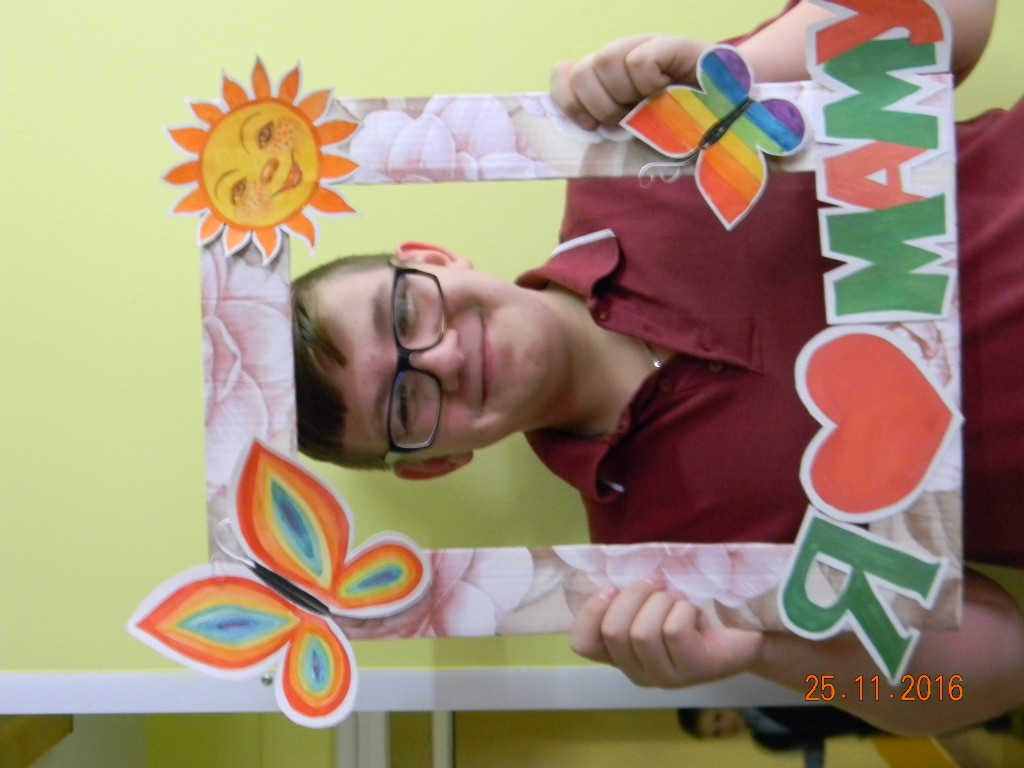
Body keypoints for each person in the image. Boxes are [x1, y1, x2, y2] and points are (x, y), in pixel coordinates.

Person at [291, 0, 1024, 735]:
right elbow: (989, 678)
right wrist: (763, 649)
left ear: (432, 259)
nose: (444, 357)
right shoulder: (658, 564)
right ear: (436, 464)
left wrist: (747, 71)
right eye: (405, 406)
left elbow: (959, 17)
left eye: (404, 313)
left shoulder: (639, 150)